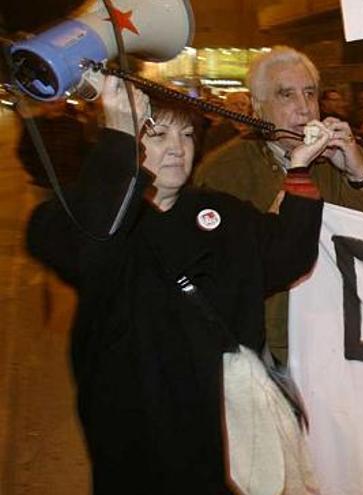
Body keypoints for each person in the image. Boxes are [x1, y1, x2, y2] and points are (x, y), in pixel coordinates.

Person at [27, 77, 323, 494]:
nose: (176, 148)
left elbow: (285, 257)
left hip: (220, 433)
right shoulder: (81, 216)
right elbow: (88, 247)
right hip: (135, 436)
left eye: (186, 134)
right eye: (157, 133)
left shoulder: (220, 213)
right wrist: (118, 141)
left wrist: (300, 167)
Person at [194, 46, 363, 363]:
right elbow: (219, 274)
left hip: (336, 334)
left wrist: (357, 174)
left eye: (310, 94)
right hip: (266, 345)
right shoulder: (223, 170)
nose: (304, 109)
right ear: (258, 107)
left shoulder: (336, 159)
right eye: (286, 95)